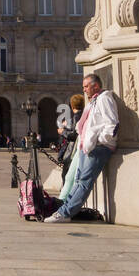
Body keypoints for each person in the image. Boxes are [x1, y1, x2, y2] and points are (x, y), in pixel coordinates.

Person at [45, 75, 120, 223]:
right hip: (88, 146)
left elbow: (112, 123)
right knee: (78, 180)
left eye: (86, 86)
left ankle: (66, 213)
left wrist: (100, 140)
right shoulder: (94, 101)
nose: (83, 89)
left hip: (98, 147)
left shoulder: (104, 99)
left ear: (96, 86)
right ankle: (65, 210)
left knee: (84, 181)